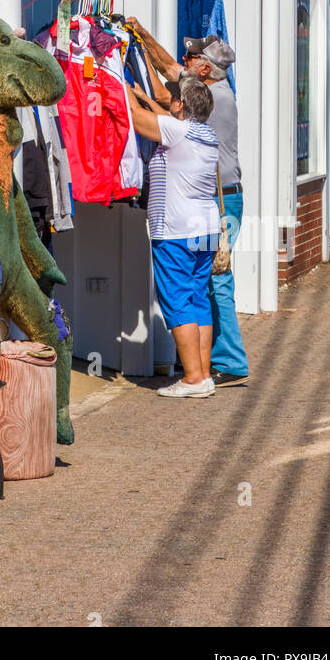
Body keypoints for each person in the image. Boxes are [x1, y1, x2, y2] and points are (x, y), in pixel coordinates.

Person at [125, 21, 248, 384]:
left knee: (215, 283)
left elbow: (162, 109)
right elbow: (166, 76)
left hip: (219, 201)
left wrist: (122, 84)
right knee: (201, 288)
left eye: (191, 57)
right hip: (208, 207)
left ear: (205, 69)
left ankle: (227, 363)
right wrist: (140, 37)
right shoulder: (206, 94)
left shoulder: (218, 100)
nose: (184, 60)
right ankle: (202, 366)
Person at [127, 75, 219, 399]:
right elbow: (164, 120)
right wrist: (145, 96)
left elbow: (139, 120)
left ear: (180, 105)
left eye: (172, 98)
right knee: (197, 298)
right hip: (206, 229)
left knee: (177, 300)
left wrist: (117, 81)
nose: (168, 101)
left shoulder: (178, 132)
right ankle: (203, 374)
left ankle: (193, 378)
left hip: (176, 230)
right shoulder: (205, 133)